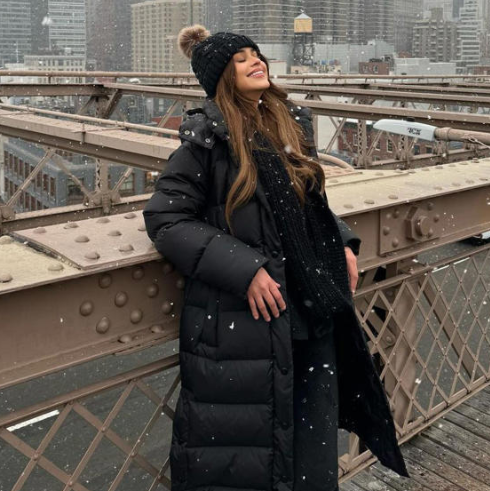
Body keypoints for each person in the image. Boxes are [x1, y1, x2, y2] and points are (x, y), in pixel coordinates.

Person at [143, 25, 409, 491]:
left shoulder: (288, 125)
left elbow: (307, 206)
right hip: (249, 326)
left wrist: (341, 242)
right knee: (250, 459)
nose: (254, 61)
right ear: (221, 75)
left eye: (256, 53)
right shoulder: (206, 140)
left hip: (310, 314)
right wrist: (245, 270)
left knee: (310, 453)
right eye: (240, 58)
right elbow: (167, 220)